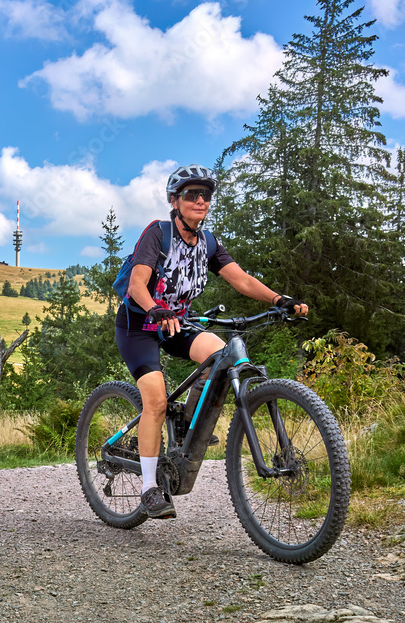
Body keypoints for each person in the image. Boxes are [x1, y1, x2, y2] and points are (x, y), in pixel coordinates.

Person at [116, 164, 308, 519]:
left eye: (206, 195)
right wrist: (154, 308)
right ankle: (148, 489)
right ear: (175, 200)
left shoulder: (208, 242)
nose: (201, 200)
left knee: (221, 356)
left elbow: (242, 280)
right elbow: (137, 285)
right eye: (192, 194)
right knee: (156, 402)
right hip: (139, 323)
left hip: (178, 322)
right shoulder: (158, 235)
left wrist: (278, 299)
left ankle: (190, 423)